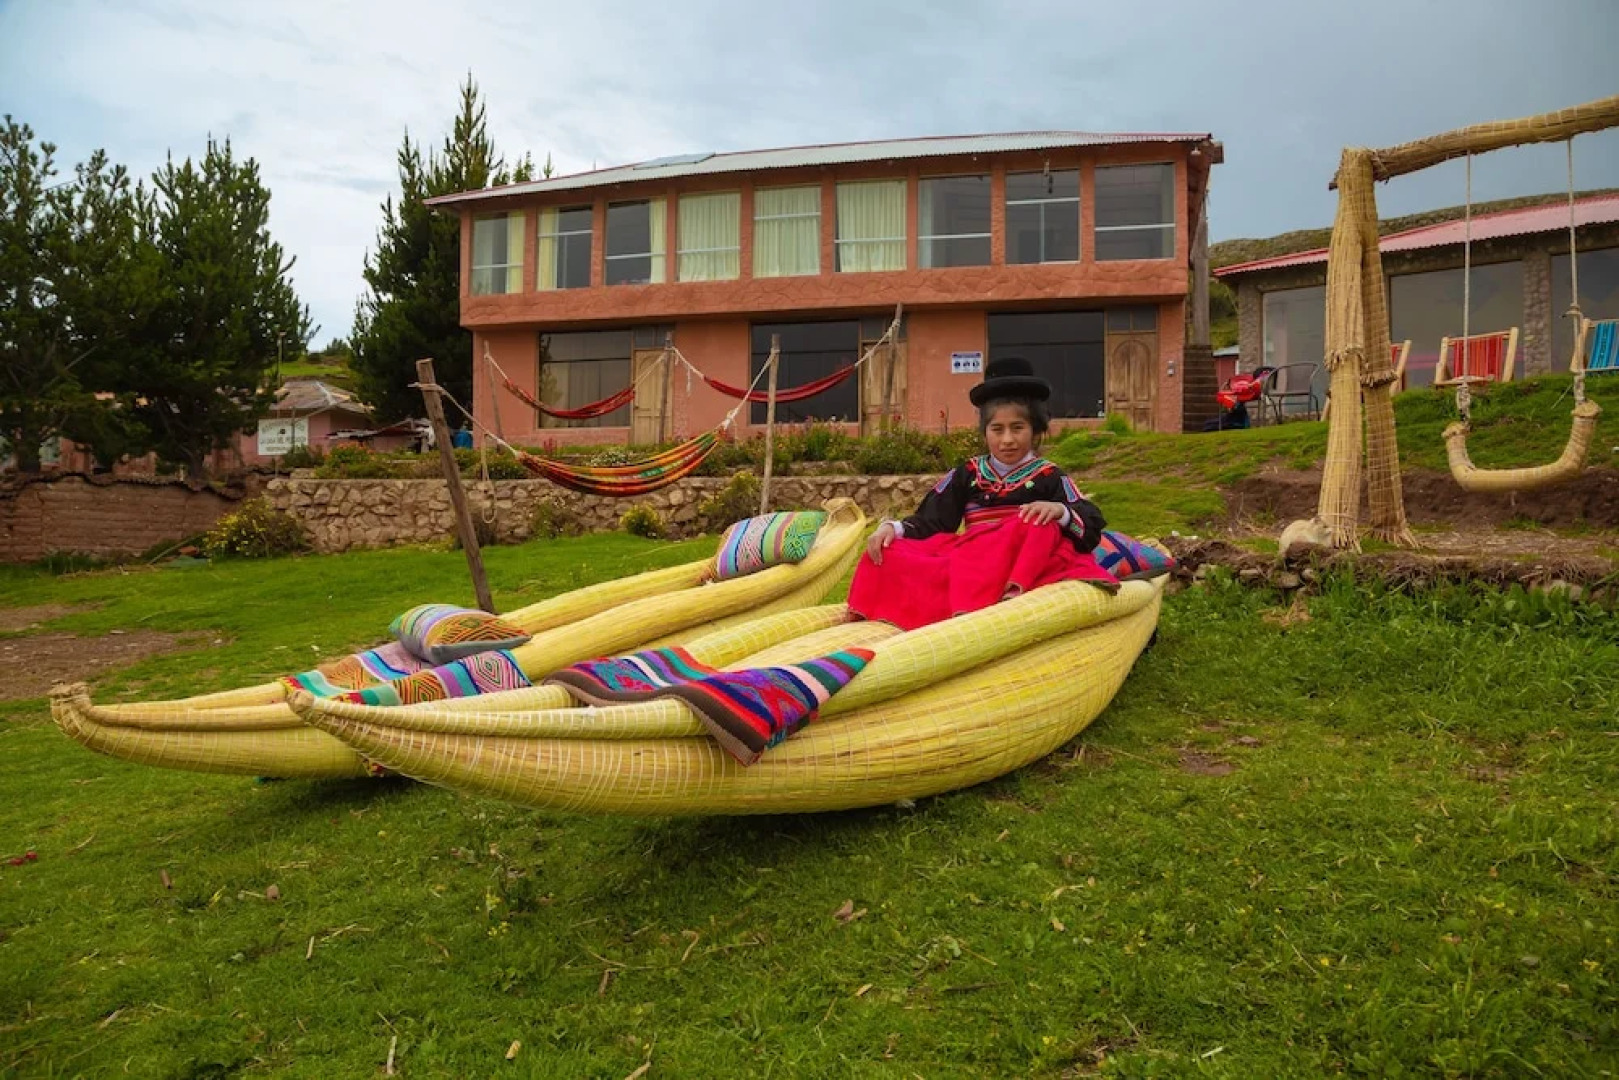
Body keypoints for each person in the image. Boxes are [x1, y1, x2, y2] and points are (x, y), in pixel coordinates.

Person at [847, 357, 1116, 630]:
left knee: (1038, 525)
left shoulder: (1050, 476)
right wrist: (894, 529)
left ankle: (1006, 596)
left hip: (1022, 567)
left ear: (1035, 429)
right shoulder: (967, 473)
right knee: (888, 551)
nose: (1007, 439)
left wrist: (1059, 512)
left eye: (1018, 428)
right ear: (985, 432)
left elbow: (1088, 523)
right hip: (972, 565)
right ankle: (961, 602)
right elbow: (934, 522)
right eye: (997, 429)